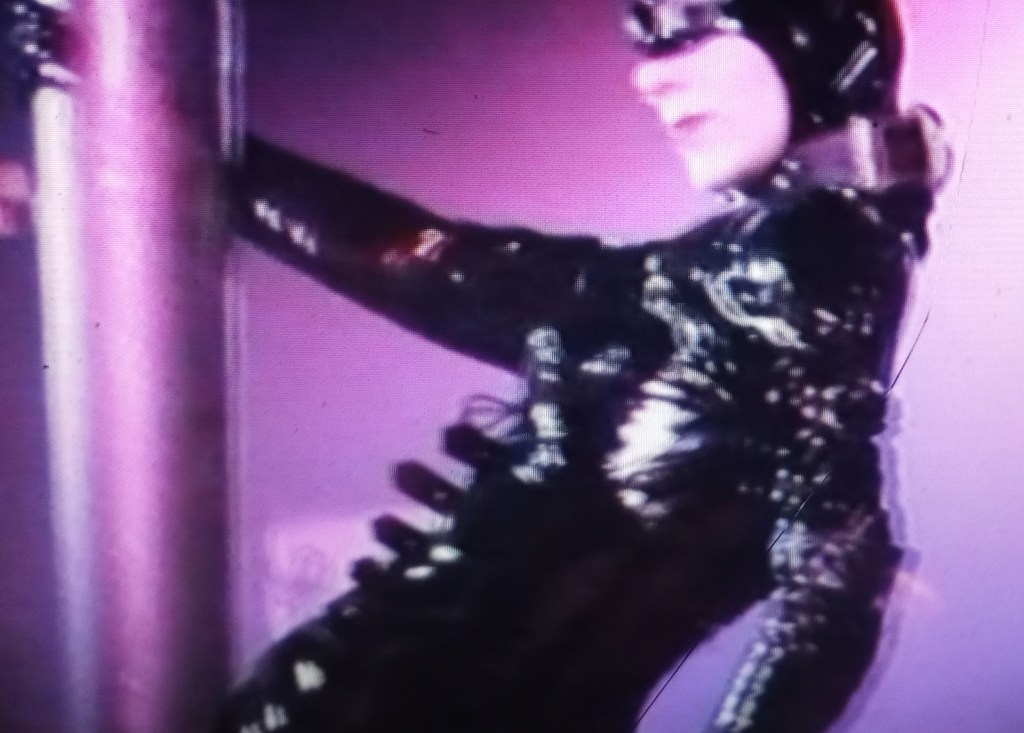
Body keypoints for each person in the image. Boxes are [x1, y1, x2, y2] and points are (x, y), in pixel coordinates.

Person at [218, 1, 949, 731]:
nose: (649, 78)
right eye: (645, 42)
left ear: (811, 36)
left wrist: (182, 140)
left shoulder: (804, 264)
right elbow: (453, 273)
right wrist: (182, 142)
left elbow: (840, 582)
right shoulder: (754, 270)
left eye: (690, 26)